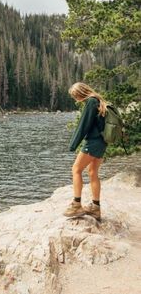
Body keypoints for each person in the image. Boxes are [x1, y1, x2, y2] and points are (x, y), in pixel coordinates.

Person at [64, 82, 108, 221]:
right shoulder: (99, 101)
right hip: (102, 143)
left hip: (93, 142)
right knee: (92, 172)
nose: (75, 99)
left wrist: (73, 145)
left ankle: (76, 205)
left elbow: (83, 125)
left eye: (75, 96)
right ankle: (96, 207)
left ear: (80, 94)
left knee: (76, 169)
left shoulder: (90, 102)